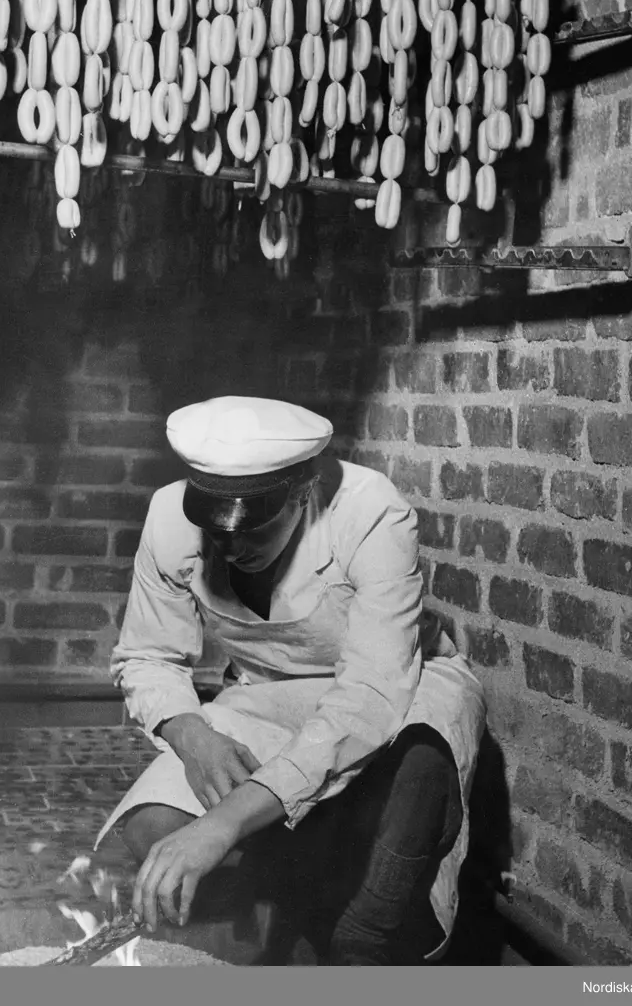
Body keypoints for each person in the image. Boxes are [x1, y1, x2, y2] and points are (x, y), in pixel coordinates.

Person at [94, 397, 487, 965]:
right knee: (154, 831)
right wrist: (194, 738)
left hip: (401, 689)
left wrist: (227, 823)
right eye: (216, 526)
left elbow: (369, 699)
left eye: (252, 525)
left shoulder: (370, 510)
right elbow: (148, 656)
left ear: (303, 491)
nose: (231, 546)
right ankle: (322, 869)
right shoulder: (169, 517)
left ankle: (353, 913)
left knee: (411, 793)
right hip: (266, 693)